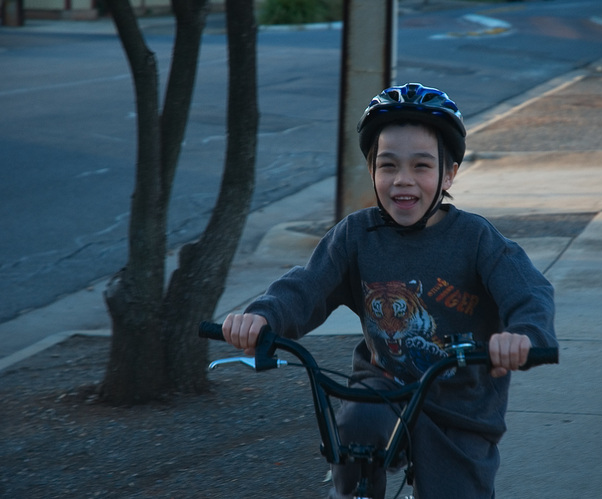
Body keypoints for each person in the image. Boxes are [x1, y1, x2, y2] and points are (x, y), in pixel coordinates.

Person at [222, 83, 557, 498]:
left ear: (449, 173)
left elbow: (529, 292)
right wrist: (263, 315)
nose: (403, 181)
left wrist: (525, 335)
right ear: (372, 171)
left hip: (460, 403)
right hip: (384, 385)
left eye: (421, 166)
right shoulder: (356, 236)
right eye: (388, 166)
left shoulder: (475, 240)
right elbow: (307, 286)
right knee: (353, 432)